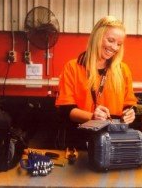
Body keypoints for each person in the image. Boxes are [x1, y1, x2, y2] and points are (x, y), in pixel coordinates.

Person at [55, 16, 137, 148]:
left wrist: (130, 113)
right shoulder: (72, 67)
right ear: (97, 37)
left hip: (113, 139)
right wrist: (92, 116)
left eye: (119, 44)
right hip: (79, 139)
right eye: (110, 40)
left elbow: (129, 104)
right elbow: (66, 110)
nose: (114, 47)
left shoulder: (123, 70)